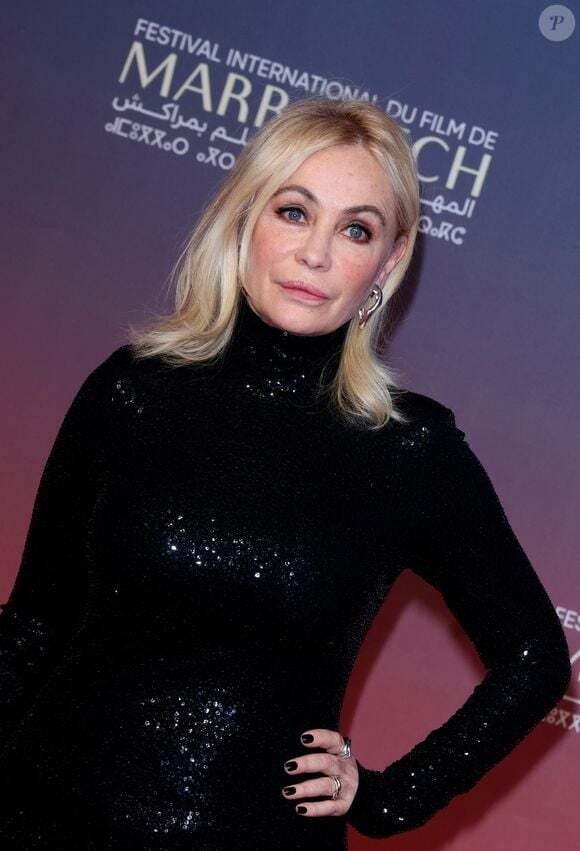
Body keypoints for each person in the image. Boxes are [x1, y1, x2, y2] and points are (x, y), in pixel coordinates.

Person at [0, 96, 570, 849]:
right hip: (44, 818)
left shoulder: (409, 451)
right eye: (295, 212)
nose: (316, 254)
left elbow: (535, 659)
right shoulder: (135, 389)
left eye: (356, 229)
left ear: (388, 262)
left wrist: (388, 797)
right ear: (245, 219)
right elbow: (33, 625)